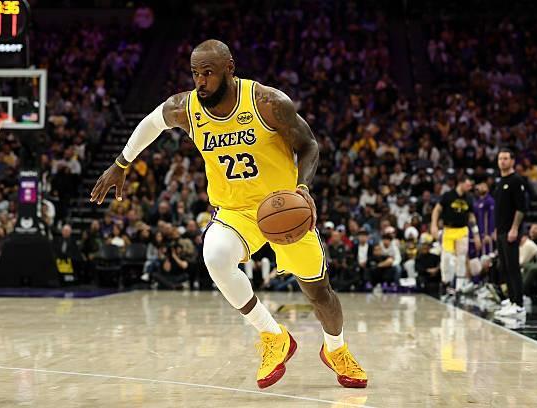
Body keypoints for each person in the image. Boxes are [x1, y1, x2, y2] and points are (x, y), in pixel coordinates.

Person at [89, 39, 366, 388]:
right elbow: (152, 122)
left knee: (319, 293)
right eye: (195, 74)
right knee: (215, 256)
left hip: (282, 207)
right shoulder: (187, 108)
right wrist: (121, 163)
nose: (200, 81)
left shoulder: (266, 102)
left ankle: (336, 349)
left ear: (229, 69)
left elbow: (309, 145)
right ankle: (273, 335)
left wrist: (303, 188)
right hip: (236, 211)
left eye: (208, 73)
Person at [430, 176, 481, 293]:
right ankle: (446, 283)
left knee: (461, 259)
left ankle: (459, 286)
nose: (470, 187)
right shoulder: (448, 195)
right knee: (447, 258)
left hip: (462, 230)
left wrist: (476, 234)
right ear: (460, 183)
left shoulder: (469, 197)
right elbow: (437, 210)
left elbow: (471, 216)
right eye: (468, 185)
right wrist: (433, 225)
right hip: (448, 230)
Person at [493, 148, 528, 317]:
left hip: (510, 231)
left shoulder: (516, 180)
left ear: (512, 161)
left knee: (513, 267)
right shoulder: (500, 181)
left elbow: (521, 208)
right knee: (504, 267)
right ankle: (511, 299)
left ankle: (518, 303)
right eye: (500, 158)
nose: (502, 161)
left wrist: (514, 228)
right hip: (501, 230)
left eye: (506, 158)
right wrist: (496, 229)